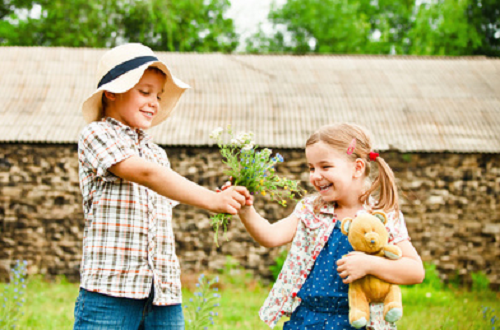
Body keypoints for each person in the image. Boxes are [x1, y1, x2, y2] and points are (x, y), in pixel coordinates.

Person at [73, 43, 251, 330]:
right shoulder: (96, 133)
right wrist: (211, 200)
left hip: (163, 293)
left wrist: (222, 196)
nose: (154, 102)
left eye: (158, 95)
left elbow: (167, 193)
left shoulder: (157, 153)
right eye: (144, 92)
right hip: (110, 291)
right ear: (112, 92)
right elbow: (145, 174)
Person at [237, 123, 425, 330]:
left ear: (358, 167)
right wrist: (245, 209)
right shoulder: (310, 209)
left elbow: (415, 271)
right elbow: (270, 236)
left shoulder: (382, 216)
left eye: (325, 167)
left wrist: (369, 265)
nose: (315, 175)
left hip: (359, 320)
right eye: (311, 168)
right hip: (308, 318)